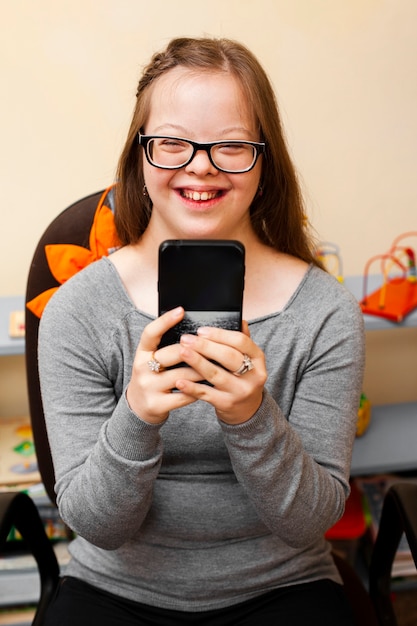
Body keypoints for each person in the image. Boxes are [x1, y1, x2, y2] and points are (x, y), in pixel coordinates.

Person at [39, 37, 365, 625]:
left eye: (232, 145)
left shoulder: (324, 313)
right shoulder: (77, 311)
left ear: (265, 160)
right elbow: (96, 526)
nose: (201, 165)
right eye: (172, 143)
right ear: (139, 156)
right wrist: (136, 418)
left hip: (282, 586)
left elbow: (309, 522)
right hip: (114, 588)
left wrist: (252, 418)